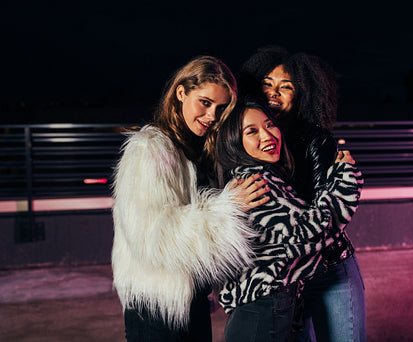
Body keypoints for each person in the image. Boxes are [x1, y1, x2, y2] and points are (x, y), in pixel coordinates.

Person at [111, 56, 271, 341]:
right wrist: (226, 208)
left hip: (191, 299)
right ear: (181, 93)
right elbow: (153, 235)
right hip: (157, 304)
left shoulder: (198, 148)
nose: (212, 116)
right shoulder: (149, 149)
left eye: (221, 108)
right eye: (205, 103)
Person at [240, 46, 367, 342]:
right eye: (267, 84)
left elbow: (330, 215)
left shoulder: (315, 140)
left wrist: (346, 178)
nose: (274, 92)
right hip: (286, 278)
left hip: (327, 268)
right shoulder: (245, 143)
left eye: (286, 87)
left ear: (301, 95)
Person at [215, 98, 363, 342]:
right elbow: (313, 232)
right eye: (252, 131)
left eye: (269, 125)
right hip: (261, 309)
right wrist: (345, 177)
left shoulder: (261, 175)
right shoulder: (255, 182)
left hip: (266, 306)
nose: (267, 136)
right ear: (234, 142)